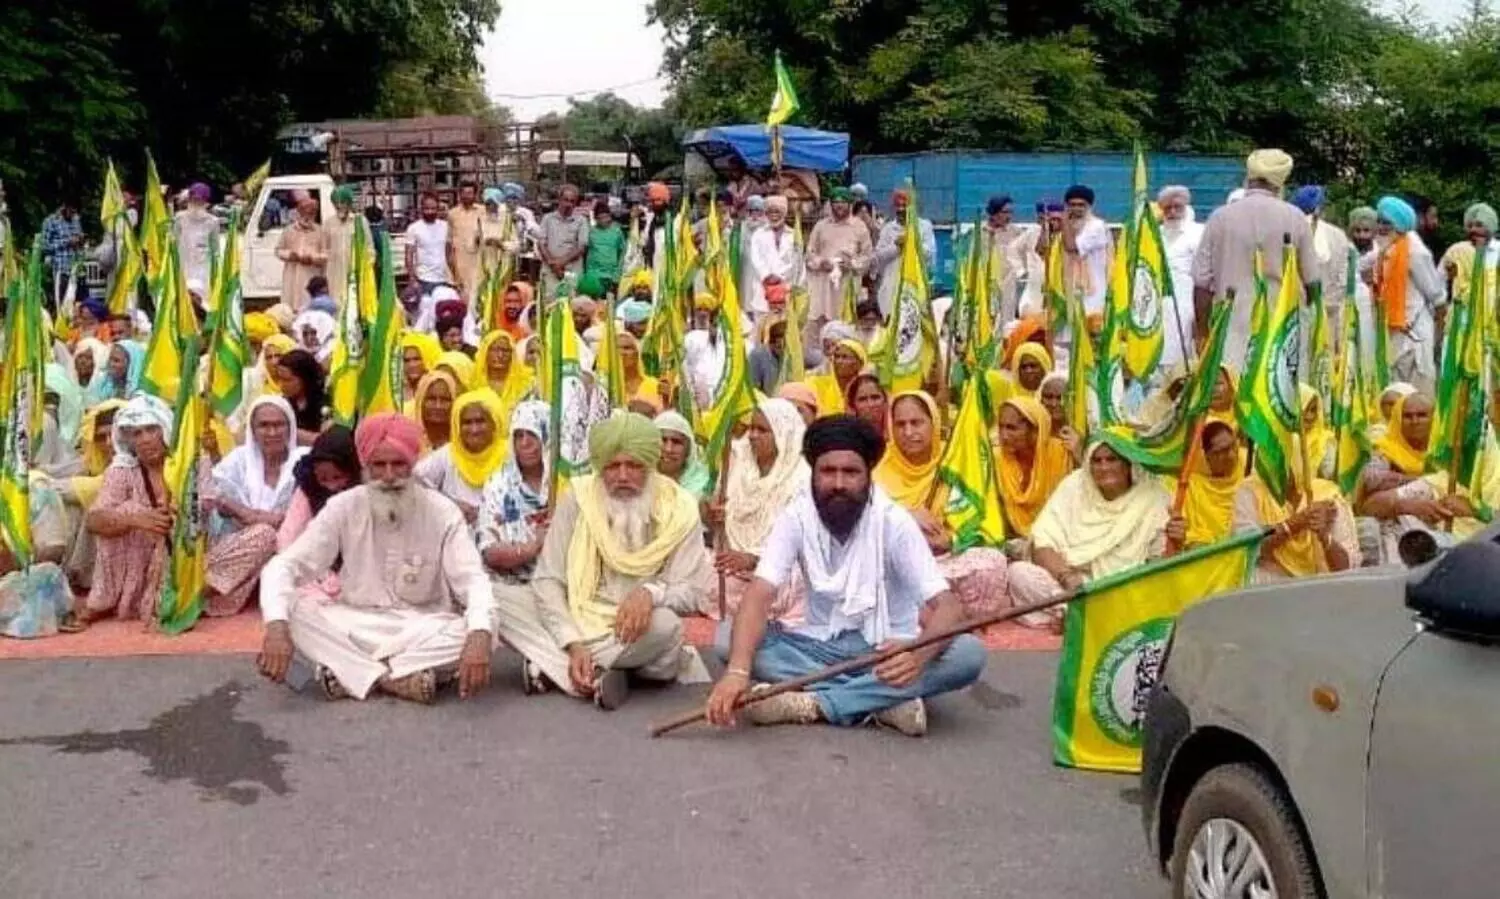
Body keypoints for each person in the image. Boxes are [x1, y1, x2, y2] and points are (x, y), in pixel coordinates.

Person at [703, 414, 985, 736]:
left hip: (888, 649)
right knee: (728, 637)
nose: (838, 483)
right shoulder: (796, 518)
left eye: (850, 472)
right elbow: (759, 592)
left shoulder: (895, 523)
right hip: (818, 646)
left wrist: (917, 656)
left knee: (968, 654)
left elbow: (948, 606)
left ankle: (816, 705)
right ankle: (882, 701)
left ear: (868, 477)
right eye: (828, 471)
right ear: (813, 474)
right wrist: (738, 672)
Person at [257, 414, 497, 703]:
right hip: (355, 623)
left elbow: (473, 580)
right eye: (378, 466)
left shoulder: (442, 512)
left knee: (485, 628)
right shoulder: (343, 507)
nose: (388, 476)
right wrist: (276, 628)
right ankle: (397, 678)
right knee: (290, 610)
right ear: (365, 466)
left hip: (423, 626)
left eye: (398, 465)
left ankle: (354, 674)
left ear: (413, 464)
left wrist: (480, 635)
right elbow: (285, 565)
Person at [492, 413, 714, 708]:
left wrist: (651, 593)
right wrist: (573, 643)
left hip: (635, 628)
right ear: (600, 468)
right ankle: (601, 670)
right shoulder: (578, 498)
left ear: (651, 466)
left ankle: (555, 668)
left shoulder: (680, 509)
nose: (622, 476)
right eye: (612, 466)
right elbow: (548, 578)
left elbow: (692, 592)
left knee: (668, 627)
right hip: (575, 615)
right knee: (495, 597)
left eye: (633, 466)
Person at [1006, 436, 1172, 631]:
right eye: (1097, 460)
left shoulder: (1152, 495)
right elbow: (1043, 543)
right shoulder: (1074, 486)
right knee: (1019, 574)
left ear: (1128, 465)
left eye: (1112, 460)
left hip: (1125, 587)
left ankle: (1078, 617)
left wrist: (1175, 541)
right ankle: (1079, 614)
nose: (1104, 467)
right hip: (1076, 585)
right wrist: (1066, 577)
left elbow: (1159, 559)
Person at [874, 391, 1011, 619]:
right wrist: (905, 515)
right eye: (900, 424)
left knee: (991, 562)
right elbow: (865, 524)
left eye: (916, 423)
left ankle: (935, 614)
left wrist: (952, 540)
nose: (908, 432)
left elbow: (983, 521)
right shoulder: (879, 471)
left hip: (947, 559)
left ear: (934, 422)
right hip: (901, 566)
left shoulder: (954, 462)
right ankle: (943, 615)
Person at [1193, 149, 1316, 364]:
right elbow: (1313, 283)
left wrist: (1202, 332)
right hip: (1282, 332)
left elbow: (1202, 285)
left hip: (1230, 332)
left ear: (1248, 179)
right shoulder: (1295, 218)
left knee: (1231, 393)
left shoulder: (1220, 217)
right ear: (1280, 182)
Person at [703, 398, 810, 622]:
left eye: (762, 430)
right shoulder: (738, 462)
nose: (752, 435)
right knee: (702, 575)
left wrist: (754, 559)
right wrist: (715, 515)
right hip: (732, 562)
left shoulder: (802, 478)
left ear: (784, 434)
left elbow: (802, 539)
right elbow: (720, 523)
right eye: (751, 428)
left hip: (782, 567)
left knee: (764, 591)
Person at [203, 396, 308, 616]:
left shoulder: (305, 460)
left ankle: (205, 590)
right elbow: (213, 495)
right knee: (262, 535)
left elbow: (304, 516)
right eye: (264, 425)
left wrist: (251, 515)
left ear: (290, 426)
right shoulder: (238, 460)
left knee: (265, 534)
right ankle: (201, 591)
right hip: (241, 546)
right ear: (252, 429)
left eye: (279, 424)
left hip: (291, 545)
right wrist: (240, 511)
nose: (272, 432)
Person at [1233, 447, 1358, 582]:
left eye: (1283, 465)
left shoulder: (1327, 496)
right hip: (1270, 584)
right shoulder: (1250, 491)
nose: (1275, 471)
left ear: (1297, 465)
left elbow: (1346, 568)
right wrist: (1295, 523)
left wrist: (1324, 537)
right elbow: (1246, 549)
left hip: (1320, 587)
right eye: (1270, 462)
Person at [1363, 196, 1444, 390]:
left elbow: (1436, 295)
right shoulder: (1385, 248)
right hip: (1389, 329)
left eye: (1387, 223)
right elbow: (1361, 264)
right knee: (1392, 390)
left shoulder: (1415, 252)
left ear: (1399, 225)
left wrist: (1438, 335)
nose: (1381, 227)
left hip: (1413, 331)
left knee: (1416, 391)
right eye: (1379, 221)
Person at [275, 426, 361, 606]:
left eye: (338, 477)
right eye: (323, 479)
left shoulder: (364, 491)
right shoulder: (309, 489)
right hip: (316, 571)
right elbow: (288, 537)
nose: (331, 486)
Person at [476, 401, 550, 585]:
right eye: (518, 436)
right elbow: (488, 551)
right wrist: (531, 548)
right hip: (509, 584)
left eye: (533, 435)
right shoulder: (498, 484)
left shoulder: (563, 483)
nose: (525, 444)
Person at [414, 388, 507, 524]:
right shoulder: (448, 454)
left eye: (480, 421)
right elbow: (413, 480)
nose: (474, 430)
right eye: (467, 423)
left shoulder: (510, 454)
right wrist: (450, 504)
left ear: (494, 423)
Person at [994, 395, 1072, 541]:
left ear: (1036, 430)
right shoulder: (996, 459)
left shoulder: (1062, 455)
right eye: (1001, 427)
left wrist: (1079, 452)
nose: (1004, 436)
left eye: (1012, 428)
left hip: (1057, 538)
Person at [1166, 421, 1244, 550]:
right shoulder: (1192, 486)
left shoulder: (1249, 466)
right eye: (1222, 451)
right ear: (1208, 456)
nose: (1231, 455)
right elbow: (1189, 538)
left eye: (1233, 447)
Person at [805, 188, 872, 334]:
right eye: (835, 202)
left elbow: (867, 257)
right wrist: (821, 263)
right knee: (822, 325)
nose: (839, 206)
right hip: (823, 283)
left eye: (843, 202)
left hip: (848, 283)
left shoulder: (859, 226)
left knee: (847, 324)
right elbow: (809, 253)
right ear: (830, 204)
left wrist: (852, 264)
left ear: (850, 204)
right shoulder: (821, 226)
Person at [1291, 185, 1351, 341]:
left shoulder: (1290, 232)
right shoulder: (1337, 235)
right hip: (1320, 311)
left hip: (1302, 312)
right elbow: (1343, 280)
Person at [1158, 185, 1204, 370]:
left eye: (1177, 207)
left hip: (1190, 300)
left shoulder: (1198, 232)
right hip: (1162, 302)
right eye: (1167, 208)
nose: (1173, 212)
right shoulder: (1157, 234)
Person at [872, 189, 936, 316]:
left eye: (904, 206)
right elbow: (878, 256)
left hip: (915, 282)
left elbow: (929, 253)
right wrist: (896, 247)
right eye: (898, 206)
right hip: (892, 283)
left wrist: (911, 243)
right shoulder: (888, 228)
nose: (901, 210)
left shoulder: (924, 226)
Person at [980, 195, 1037, 325]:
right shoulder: (980, 233)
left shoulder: (1016, 233)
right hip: (984, 284)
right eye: (1005, 212)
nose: (1008, 216)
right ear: (993, 213)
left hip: (1008, 286)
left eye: (1010, 212)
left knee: (1006, 323)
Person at [748, 195, 802, 315]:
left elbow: (797, 261)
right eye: (770, 212)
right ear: (766, 214)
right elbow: (755, 258)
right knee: (762, 326)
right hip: (762, 289)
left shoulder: (793, 235)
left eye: (777, 211)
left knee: (785, 327)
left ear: (784, 213)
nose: (774, 215)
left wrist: (780, 277)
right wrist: (767, 275)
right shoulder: (758, 234)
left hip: (786, 288)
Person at [275, 197, 329, 312]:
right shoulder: (288, 230)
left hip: (311, 274)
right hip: (292, 274)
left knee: (309, 306)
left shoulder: (320, 231)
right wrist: (290, 255)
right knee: (289, 308)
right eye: (305, 212)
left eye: (311, 213)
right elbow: (278, 250)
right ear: (299, 213)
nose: (308, 216)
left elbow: (326, 254)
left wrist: (312, 258)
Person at [538, 185, 590, 299]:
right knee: (549, 305)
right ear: (559, 200)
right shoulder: (547, 219)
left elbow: (582, 247)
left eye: (572, 201)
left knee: (571, 305)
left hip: (571, 272)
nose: (568, 204)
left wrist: (561, 263)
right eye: (566, 200)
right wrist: (553, 265)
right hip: (550, 271)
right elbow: (541, 243)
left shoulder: (581, 221)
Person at [653, 410, 713, 500]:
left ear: (688, 449)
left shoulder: (703, 487)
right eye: (663, 440)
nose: (668, 449)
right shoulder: (639, 482)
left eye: (676, 442)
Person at [273, 349, 327, 445]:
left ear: (305, 378)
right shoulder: (281, 404)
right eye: (280, 379)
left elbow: (327, 441)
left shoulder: (325, 403)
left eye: (287, 380)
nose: (282, 385)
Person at [404, 193, 454, 298]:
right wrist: (412, 279)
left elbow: (450, 253)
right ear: (421, 209)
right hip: (423, 279)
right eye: (427, 208)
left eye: (433, 208)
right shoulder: (414, 228)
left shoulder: (445, 226)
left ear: (438, 209)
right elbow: (409, 255)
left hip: (444, 279)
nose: (430, 211)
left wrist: (455, 275)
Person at [322, 186, 364, 305]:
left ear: (349, 204)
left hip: (355, 270)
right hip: (334, 272)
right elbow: (324, 248)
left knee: (354, 302)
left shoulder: (359, 222)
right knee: (336, 302)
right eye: (336, 203)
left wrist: (365, 266)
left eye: (343, 203)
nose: (339, 206)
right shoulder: (328, 223)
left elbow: (369, 248)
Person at [806, 338, 867, 416]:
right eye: (837, 356)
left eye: (845, 357)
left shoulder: (865, 389)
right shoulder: (816, 384)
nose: (839, 361)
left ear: (859, 364)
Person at [175, 183, 220, 289]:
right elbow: (174, 241)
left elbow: (215, 248)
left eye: (199, 200)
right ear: (189, 200)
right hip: (182, 264)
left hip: (202, 268)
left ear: (205, 202)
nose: (196, 203)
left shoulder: (213, 221)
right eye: (194, 200)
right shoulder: (179, 218)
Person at [447, 182, 484, 301]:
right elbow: (449, 241)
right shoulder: (452, 214)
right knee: (462, 297)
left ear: (475, 195)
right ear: (459, 195)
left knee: (478, 295)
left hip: (478, 261)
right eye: (464, 193)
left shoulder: (482, 211)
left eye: (470, 193)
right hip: (460, 262)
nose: (467, 196)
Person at [41, 201, 86, 299]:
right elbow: (45, 246)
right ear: (64, 207)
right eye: (71, 211)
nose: (73, 214)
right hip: (60, 269)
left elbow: (79, 241)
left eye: (75, 212)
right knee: (62, 302)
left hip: (76, 269)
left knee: (77, 304)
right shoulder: (50, 221)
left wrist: (81, 241)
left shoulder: (76, 220)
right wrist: (67, 242)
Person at [409, 369, 458, 452]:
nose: (438, 406)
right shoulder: (408, 439)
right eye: (431, 399)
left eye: (445, 399)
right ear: (420, 401)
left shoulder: (461, 442)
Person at [584, 201, 627, 296]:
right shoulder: (591, 232)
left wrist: (617, 274)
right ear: (596, 219)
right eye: (601, 218)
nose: (604, 220)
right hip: (594, 276)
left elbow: (623, 254)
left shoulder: (617, 232)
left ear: (610, 216)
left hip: (611, 276)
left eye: (606, 217)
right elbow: (585, 253)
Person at [399, 331, 443, 411]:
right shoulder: (397, 391)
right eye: (406, 360)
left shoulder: (441, 389)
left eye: (417, 359)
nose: (412, 365)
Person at [749, 315, 789, 395]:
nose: (782, 351)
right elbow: (753, 389)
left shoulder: (794, 357)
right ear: (771, 344)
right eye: (778, 346)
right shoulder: (757, 356)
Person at [846, 372, 889, 442]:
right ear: (853, 405)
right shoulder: (849, 441)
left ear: (885, 401)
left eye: (875, 397)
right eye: (862, 399)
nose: (870, 405)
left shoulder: (897, 435)